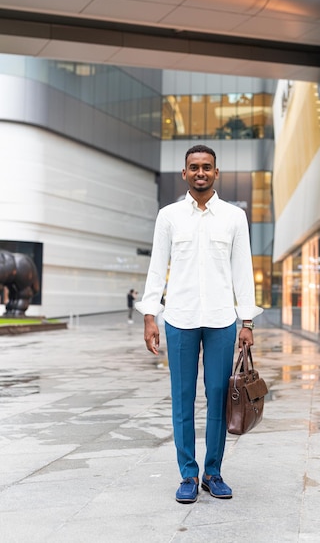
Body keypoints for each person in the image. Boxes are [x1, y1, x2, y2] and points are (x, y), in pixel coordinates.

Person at [136, 144, 263, 503]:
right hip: (179, 318)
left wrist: (247, 321)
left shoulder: (234, 217)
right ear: (185, 173)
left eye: (207, 167)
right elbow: (157, 268)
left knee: (219, 396)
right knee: (183, 399)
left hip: (223, 320)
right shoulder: (169, 216)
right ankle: (188, 475)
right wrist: (150, 316)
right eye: (194, 167)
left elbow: (243, 272)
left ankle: (214, 472)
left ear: (216, 173)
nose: (201, 173)